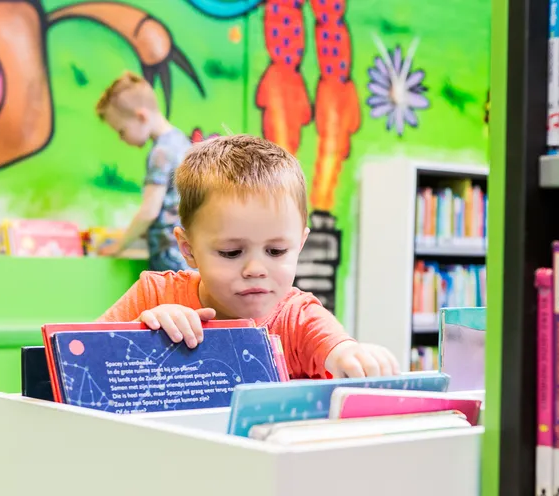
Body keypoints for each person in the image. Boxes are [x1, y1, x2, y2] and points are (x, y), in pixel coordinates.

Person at [97, 134, 400, 379]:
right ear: (188, 249)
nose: (256, 269)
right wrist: (138, 334)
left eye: (277, 251)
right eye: (231, 252)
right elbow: (79, 363)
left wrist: (354, 356)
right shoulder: (155, 296)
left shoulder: (298, 318)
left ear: (300, 244)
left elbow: (338, 350)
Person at [94, 71, 191, 272]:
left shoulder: (160, 152)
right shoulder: (181, 141)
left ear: (141, 117)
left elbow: (149, 210)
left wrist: (118, 246)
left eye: (122, 131)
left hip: (168, 256)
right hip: (186, 252)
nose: (122, 139)